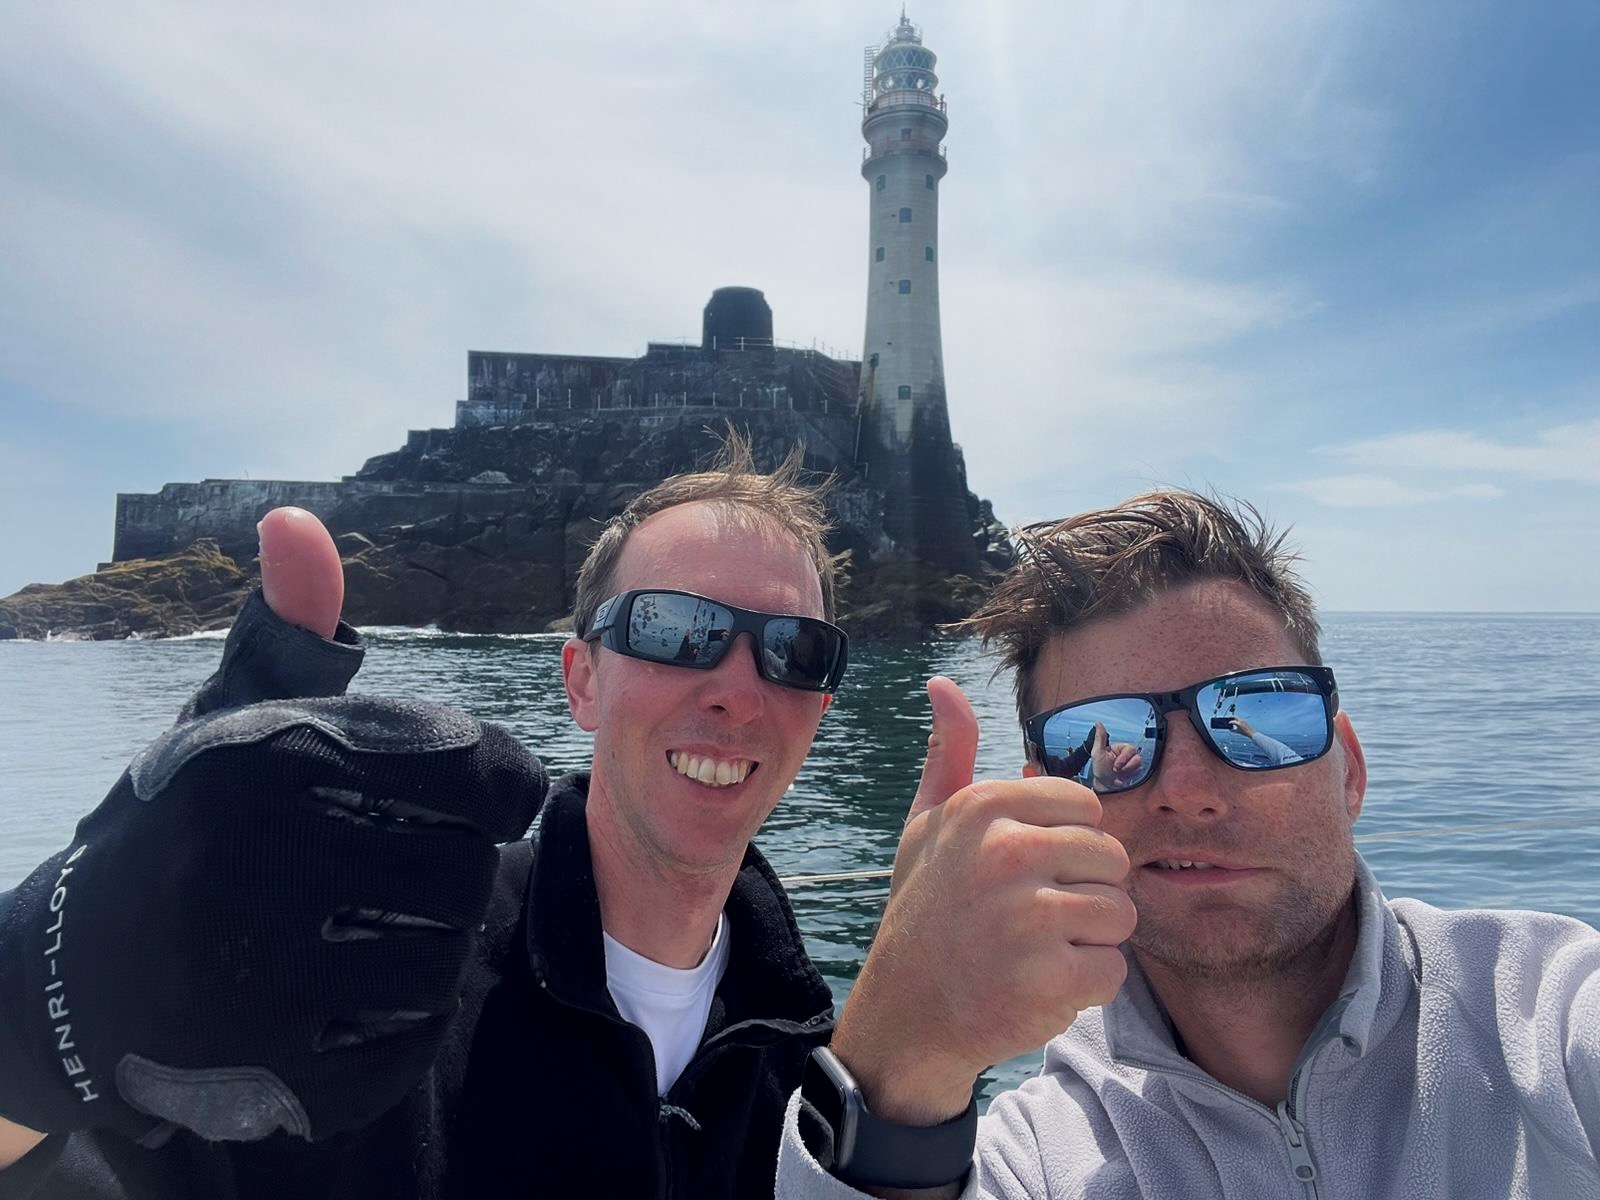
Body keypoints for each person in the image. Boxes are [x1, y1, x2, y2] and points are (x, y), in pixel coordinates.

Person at [0, 437, 846, 1197]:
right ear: (582, 679)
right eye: (676, 629)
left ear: (821, 704)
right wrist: (45, 1003)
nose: (739, 691)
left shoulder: (822, 1067)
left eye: (795, 651)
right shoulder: (357, 978)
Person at [777, 490, 1600, 1198]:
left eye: (1258, 714)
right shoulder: (1034, 1160)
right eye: (1100, 737)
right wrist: (897, 1052)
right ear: (1046, 800)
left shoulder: (1550, 1021)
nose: (1188, 790)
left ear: (1347, 766)